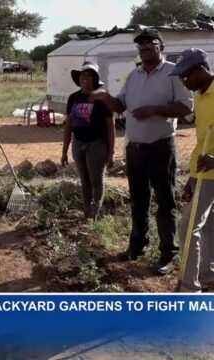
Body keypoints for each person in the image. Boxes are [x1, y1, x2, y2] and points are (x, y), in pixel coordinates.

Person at [91, 28, 193, 274]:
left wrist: (154, 110)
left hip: (161, 146)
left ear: (161, 47)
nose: (145, 48)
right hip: (135, 148)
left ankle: (168, 255)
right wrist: (105, 97)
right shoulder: (134, 74)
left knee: (166, 202)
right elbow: (121, 104)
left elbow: (186, 108)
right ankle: (137, 246)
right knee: (138, 201)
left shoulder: (173, 72)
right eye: (141, 45)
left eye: (150, 44)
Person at [170, 48, 214, 292]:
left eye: (186, 75)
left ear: (200, 70)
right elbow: (201, 139)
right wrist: (192, 177)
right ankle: (208, 275)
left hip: (212, 172)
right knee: (208, 225)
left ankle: (188, 287)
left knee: (188, 226)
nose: (183, 81)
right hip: (202, 171)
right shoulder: (199, 95)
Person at [61, 61, 115, 219]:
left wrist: (111, 152)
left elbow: (111, 128)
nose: (85, 77)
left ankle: (95, 213)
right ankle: (87, 213)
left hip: (97, 144)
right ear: (78, 78)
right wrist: (64, 151)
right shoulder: (73, 98)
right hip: (78, 143)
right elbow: (68, 126)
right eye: (83, 74)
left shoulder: (102, 98)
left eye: (89, 75)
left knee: (96, 180)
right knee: (84, 181)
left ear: (95, 78)